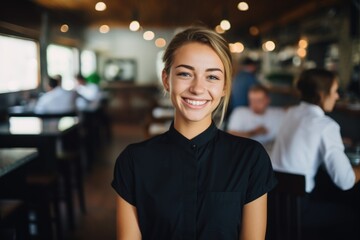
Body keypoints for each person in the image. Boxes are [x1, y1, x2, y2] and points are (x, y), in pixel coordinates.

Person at [111, 26, 277, 240]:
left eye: (213, 77)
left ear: (225, 86)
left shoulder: (251, 158)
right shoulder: (133, 161)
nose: (198, 88)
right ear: (166, 80)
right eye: (185, 74)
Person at [270, 68, 360, 236]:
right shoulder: (326, 125)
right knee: (352, 215)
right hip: (300, 210)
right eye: (334, 91)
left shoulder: (290, 113)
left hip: (274, 205)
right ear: (321, 93)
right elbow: (345, 181)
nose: (337, 96)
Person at [227, 84, 286, 149]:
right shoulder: (240, 112)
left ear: (267, 100)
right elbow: (230, 136)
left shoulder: (278, 114)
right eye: (251, 100)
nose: (254, 104)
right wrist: (253, 132)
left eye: (259, 101)